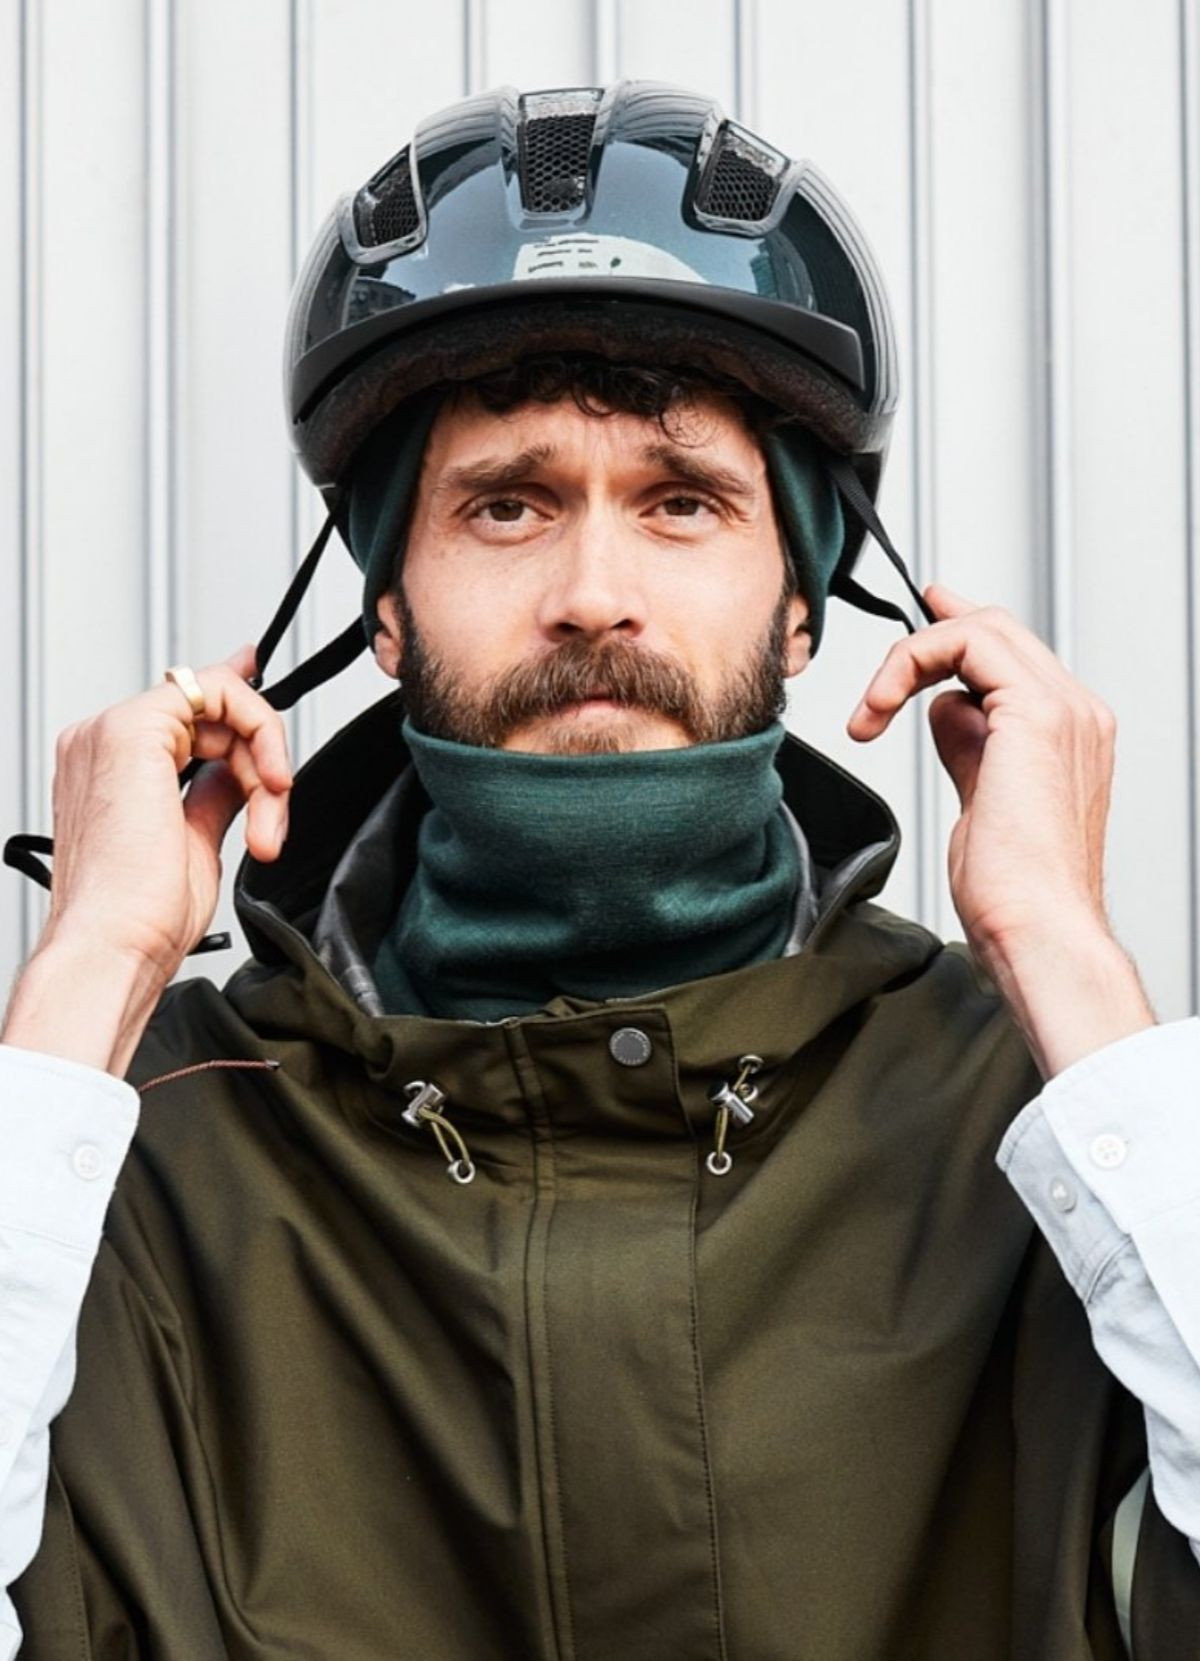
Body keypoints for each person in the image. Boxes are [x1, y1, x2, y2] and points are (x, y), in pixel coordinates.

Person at [2, 81, 1198, 1660]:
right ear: (384, 607)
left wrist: (1062, 948)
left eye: (682, 502)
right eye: (507, 505)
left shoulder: (1044, 1120)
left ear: (804, 601)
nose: (592, 592)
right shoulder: (144, 1140)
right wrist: (88, 969)